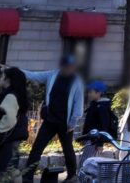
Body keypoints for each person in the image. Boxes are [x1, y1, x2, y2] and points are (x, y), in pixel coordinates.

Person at [20, 54, 85, 183]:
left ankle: (72, 175)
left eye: (71, 67)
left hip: (65, 123)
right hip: (50, 120)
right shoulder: (53, 75)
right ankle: (27, 177)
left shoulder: (77, 81)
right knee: (37, 148)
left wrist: (73, 122)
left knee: (67, 149)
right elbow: (34, 76)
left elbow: (78, 104)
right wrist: (16, 70)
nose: (68, 69)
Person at [0, 67, 29, 174]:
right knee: (12, 170)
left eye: (2, 76)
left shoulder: (10, 96)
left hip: (8, 140)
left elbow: (9, 120)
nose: (0, 79)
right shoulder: (16, 94)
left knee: (5, 170)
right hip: (13, 137)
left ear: (8, 80)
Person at [80, 81, 117, 162]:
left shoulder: (102, 107)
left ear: (98, 93)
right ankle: (82, 173)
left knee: (86, 161)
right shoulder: (94, 104)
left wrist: (100, 143)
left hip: (95, 140)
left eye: (91, 92)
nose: (89, 94)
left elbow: (103, 126)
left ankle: (80, 174)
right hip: (90, 137)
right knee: (86, 160)